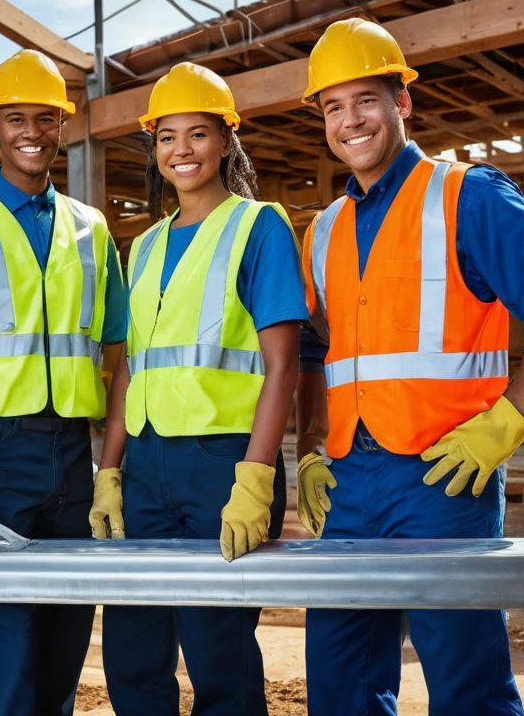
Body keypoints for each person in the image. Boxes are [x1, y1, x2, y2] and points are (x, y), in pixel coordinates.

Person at [296, 18, 524, 716]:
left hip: (444, 476)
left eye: (365, 100)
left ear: (401, 102)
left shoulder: (466, 194)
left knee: (467, 688)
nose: (350, 120)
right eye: (332, 106)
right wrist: (309, 447)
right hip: (349, 483)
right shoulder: (321, 231)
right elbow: (313, 351)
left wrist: (505, 425)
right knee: (339, 684)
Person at [0, 49, 128, 716]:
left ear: (62, 127)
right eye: (16, 119)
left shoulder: (92, 229)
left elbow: (119, 359)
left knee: (65, 651)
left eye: (45, 118)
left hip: (74, 453)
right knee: (6, 660)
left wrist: (110, 468)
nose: (31, 132)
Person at [96, 62, 306, 716]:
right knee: (131, 649)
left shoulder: (259, 226)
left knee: (217, 650)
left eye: (197, 134)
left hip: (222, 462)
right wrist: (110, 468)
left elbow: (284, 363)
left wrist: (257, 476)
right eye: (165, 137)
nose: (181, 150)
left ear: (226, 143)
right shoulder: (145, 244)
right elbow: (133, 364)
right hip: (146, 463)